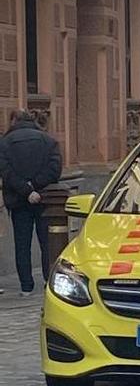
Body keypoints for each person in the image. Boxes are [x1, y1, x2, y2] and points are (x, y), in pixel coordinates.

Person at [0, 110, 62, 296]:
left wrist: (26, 190)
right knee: (47, 243)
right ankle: (48, 280)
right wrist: (35, 186)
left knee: (22, 244)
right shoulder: (48, 140)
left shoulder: (5, 143)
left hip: (18, 200)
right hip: (45, 198)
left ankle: (26, 286)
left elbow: (5, 172)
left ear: (14, 121)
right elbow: (54, 169)